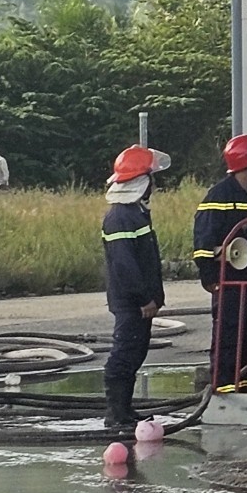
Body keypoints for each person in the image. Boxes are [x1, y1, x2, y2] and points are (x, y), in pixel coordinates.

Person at [101, 144, 169, 435]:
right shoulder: (120, 217)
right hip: (132, 302)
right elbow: (125, 265)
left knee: (136, 352)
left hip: (140, 301)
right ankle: (116, 413)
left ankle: (125, 409)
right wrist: (143, 298)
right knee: (125, 354)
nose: (154, 184)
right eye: (151, 179)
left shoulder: (135, 213)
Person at [192, 133, 247, 392]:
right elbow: (203, 237)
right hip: (227, 276)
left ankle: (246, 384)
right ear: (246, 160)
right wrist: (209, 275)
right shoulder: (219, 195)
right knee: (228, 331)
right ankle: (224, 387)